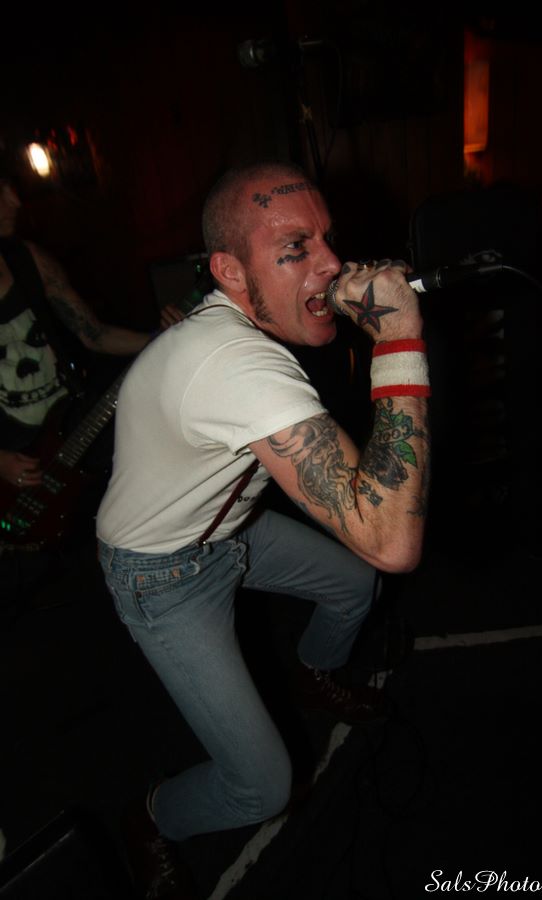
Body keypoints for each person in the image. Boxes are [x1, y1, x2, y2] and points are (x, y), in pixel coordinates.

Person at [96, 161, 430, 898]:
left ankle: (313, 672)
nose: (333, 264)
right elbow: (393, 539)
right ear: (229, 272)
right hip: (162, 575)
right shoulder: (232, 363)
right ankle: (152, 818)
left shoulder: (242, 325)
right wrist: (399, 336)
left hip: (233, 529)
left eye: (328, 240)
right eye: (295, 249)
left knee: (353, 585)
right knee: (263, 786)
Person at [0, 160, 154, 617]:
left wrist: (161, 340)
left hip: (71, 430)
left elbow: (94, 334)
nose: (15, 201)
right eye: (0, 191)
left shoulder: (26, 259)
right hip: (12, 458)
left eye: (12, 188)